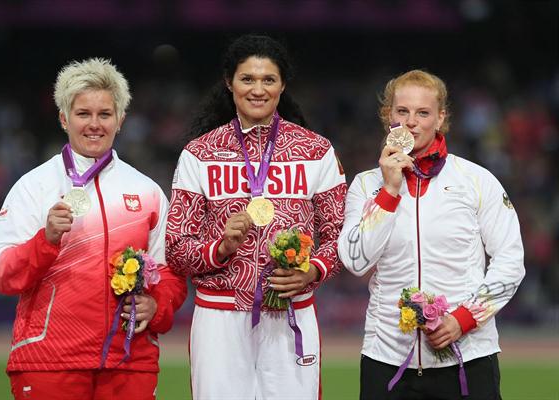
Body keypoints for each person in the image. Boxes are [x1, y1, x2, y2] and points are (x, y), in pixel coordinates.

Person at [0, 58, 187, 400]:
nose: (94, 124)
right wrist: (45, 240)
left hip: (129, 360)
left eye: (105, 114)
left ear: (120, 120)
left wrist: (156, 304)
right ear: (64, 118)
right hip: (50, 360)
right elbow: (1, 275)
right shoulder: (33, 186)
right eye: (83, 114)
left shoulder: (147, 191)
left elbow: (171, 272)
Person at [166, 34, 347, 400]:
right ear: (229, 83)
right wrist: (221, 246)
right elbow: (175, 247)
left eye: (268, 79)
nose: (258, 89)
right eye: (247, 79)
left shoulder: (316, 151)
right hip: (220, 317)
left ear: (282, 85)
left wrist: (312, 271)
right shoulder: (200, 154)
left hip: (291, 313)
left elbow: (340, 237)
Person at [338, 69, 526, 399]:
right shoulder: (367, 185)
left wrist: (466, 318)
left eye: (423, 113)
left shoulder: (476, 180)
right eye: (402, 111)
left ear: (440, 118)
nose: (411, 122)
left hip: (468, 354)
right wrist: (389, 190)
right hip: (387, 359)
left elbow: (511, 261)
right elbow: (355, 259)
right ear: (388, 117)